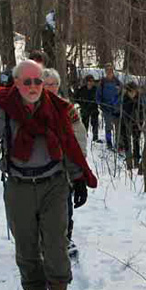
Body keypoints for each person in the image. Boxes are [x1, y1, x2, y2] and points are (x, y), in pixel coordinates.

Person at [0, 60, 97, 290]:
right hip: (19, 186)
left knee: (55, 242)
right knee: (26, 245)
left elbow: (70, 143)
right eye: (26, 81)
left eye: (37, 81)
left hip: (54, 183)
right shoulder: (4, 108)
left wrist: (79, 178)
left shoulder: (57, 108)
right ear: (16, 83)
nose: (33, 86)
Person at [43, 67, 87, 259]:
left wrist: (79, 164)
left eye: (53, 84)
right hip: (41, 167)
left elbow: (79, 136)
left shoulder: (67, 108)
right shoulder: (30, 107)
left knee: (64, 206)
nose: (49, 88)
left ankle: (65, 239)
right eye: (45, 84)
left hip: (64, 166)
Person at [120, 81, 146, 169]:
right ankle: (129, 162)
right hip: (125, 123)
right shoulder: (124, 99)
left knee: (136, 141)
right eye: (130, 92)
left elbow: (142, 112)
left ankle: (136, 160)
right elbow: (121, 112)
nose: (132, 93)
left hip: (136, 123)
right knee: (127, 142)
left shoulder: (140, 100)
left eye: (134, 91)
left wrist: (140, 122)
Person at [96, 62, 122, 149]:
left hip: (116, 108)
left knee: (118, 127)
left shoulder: (117, 82)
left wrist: (117, 102)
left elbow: (121, 94)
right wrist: (100, 103)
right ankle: (109, 142)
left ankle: (118, 143)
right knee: (108, 127)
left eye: (111, 70)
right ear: (105, 71)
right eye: (107, 70)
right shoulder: (102, 82)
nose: (109, 71)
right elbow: (98, 94)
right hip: (106, 108)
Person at [74, 75, 101, 143]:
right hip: (85, 109)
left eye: (92, 81)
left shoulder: (96, 89)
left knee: (95, 123)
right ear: (87, 82)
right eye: (89, 81)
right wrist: (81, 103)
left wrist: (97, 101)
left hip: (94, 109)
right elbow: (76, 98)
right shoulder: (82, 89)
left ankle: (95, 137)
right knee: (84, 124)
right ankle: (84, 136)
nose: (90, 83)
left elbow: (99, 98)